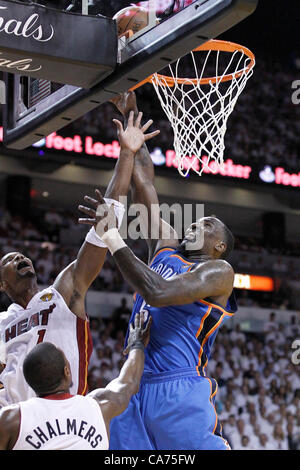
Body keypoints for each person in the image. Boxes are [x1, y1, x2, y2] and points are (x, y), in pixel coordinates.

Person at [79, 91, 236, 450]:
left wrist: (114, 238)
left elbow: (159, 293)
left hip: (178, 389)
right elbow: (145, 183)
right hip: (132, 380)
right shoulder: (165, 244)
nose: (197, 223)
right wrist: (132, 120)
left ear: (219, 246)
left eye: (208, 224)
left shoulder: (219, 272)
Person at [0, 111, 159, 408]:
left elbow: (100, 235)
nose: (20, 257)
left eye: (21, 255)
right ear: (1, 283)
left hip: (63, 418)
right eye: (9, 260)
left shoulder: (60, 294)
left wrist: (126, 154)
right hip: (13, 425)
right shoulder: (2, 323)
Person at [0, 312, 151, 450]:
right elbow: (129, 382)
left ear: (30, 381)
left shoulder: (10, 419)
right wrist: (136, 344)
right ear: (67, 372)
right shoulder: (98, 407)